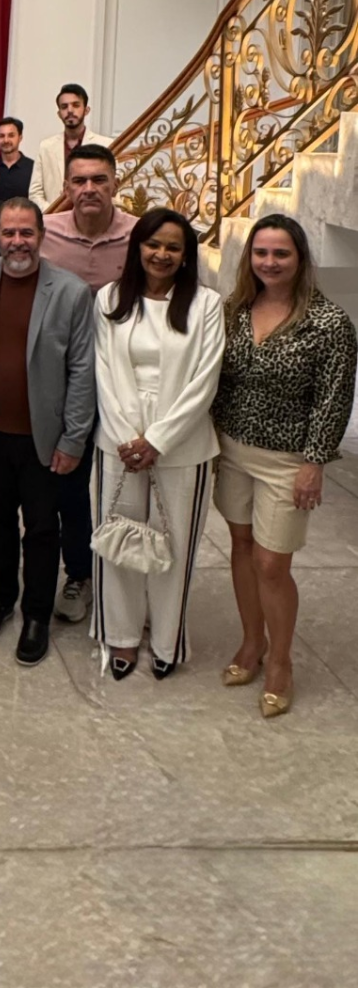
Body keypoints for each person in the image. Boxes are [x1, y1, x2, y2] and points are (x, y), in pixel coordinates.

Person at [211, 214, 357, 718]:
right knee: (241, 546)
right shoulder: (234, 310)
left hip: (287, 460)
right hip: (232, 449)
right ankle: (252, 642)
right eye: (261, 253)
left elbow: (333, 400)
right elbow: (217, 381)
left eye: (281, 253)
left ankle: (280, 661)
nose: (269, 262)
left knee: (272, 564)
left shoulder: (329, 323)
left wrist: (315, 463)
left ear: (300, 258)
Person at [92, 209, 224, 680]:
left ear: (186, 255)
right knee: (118, 540)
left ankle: (167, 640)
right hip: (120, 441)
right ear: (137, 248)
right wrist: (129, 437)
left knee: (174, 544)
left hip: (183, 444)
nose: (161, 254)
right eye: (153, 244)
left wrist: (158, 440)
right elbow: (104, 371)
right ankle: (121, 636)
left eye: (173, 247)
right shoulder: (110, 298)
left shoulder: (206, 304)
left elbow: (205, 380)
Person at [0, 199, 96, 667]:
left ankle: (36, 613)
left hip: (45, 438)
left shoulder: (71, 292)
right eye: (9, 232)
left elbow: (83, 370)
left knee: (42, 529)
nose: (17, 242)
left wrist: (73, 439)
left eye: (26, 232)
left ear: (42, 236)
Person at [41, 143, 139, 622]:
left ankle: (130, 579)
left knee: (127, 485)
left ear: (115, 183)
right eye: (79, 181)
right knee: (70, 487)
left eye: (99, 179)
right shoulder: (46, 232)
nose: (89, 189)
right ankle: (79, 574)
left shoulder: (140, 236)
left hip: (128, 384)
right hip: (64, 383)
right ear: (66, 187)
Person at [30, 84, 113, 210]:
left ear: (86, 110)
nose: (70, 110)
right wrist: (53, 213)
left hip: (94, 215)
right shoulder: (46, 146)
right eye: (64, 107)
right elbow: (35, 193)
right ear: (59, 114)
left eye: (76, 105)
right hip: (54, 217)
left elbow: (114, 189)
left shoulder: (106, 145)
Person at [0, 117, 33, 204]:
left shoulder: (33, 168)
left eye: (11, 135)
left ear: (20, 138)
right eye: (1, 136)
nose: (6, 140)